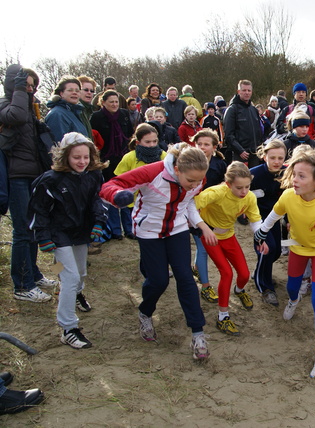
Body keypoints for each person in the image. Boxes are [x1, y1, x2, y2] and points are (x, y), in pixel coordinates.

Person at [100, 143, 216, 360]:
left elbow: (189, 202)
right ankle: (145, 312)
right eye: (190, 180)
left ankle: (198, 333)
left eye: (198, 181)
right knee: (159, 280)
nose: (195, 185)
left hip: (178, 229)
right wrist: (118, 196)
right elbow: (111, 185)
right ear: (178, 169)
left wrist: (201, 224)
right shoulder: (154, 172)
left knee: (186, 277)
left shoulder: (197, 178)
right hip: (149, 231)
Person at [254, 147, 315, 378]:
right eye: (294, 174)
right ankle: (294, 300)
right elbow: (274, 214)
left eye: (302, 176)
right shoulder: (288, 196)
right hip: (297, 247)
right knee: (291, 288)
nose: (295, 180)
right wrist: (262, 231)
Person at [28, 132, 108, 348]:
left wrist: (99, 223)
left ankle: (75, 292)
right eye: (76, 158)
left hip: (80, 232)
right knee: (69, 277)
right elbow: (39, 210)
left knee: (80, 273)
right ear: (64, 157)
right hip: (58, 234)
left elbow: (97, 202)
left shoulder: (94, 175)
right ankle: (68, 328)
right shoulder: (50, 180)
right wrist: (43, 236)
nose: (82, 162)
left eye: (86, 157)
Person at [0, 65, 57, 303]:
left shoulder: (30, 108)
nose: (31, 89)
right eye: (27, 84)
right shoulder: (6, 104)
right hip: (16, 176)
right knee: (23, 230)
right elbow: (16, 117)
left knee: (33, 227)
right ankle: (22, 285)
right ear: (15, 84)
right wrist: (20, 90)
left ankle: (33, 274)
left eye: (34, 85)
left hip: (34, 175)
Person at [194, 162, 261, 335]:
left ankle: (239, 291)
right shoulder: (216, 193)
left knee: (244, 274)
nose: (244, 191)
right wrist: (203, 227)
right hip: (211, 238)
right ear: (228, 184)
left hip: (229, 236)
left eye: (247, 186)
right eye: (239, 187)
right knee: (226, 273)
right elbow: (191, 205)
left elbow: (255, 220)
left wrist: (261, 238)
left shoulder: (249, 197)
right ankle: (222, 317)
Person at [90, 90, 134, 240]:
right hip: (106, 160)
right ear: (103, 103)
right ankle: (115, 229)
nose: (114, 104)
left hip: (123, 158)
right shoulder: (96, 117)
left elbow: (129, 134)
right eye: (111, 102)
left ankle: (129, 228)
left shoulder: (124, 115)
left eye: (116, 101)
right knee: (111, 193)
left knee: (127, 191)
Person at [191, 129, 227, 304]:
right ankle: (205, 286)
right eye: (199, 144)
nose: (202, 147)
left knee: (201, 246)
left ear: (214, 147)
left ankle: (197, 267)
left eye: (206, 144)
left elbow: (226, 182)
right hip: (192, 210)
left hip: (211, 212)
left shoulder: (220, 163)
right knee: (204, 246)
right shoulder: (187, 161)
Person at [114, 123, 167, 240]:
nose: (152, 145)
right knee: (133, 225)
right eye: (147, 142)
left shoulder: (164, 156)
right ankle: (129, 231)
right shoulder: (130, 157)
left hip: (156, 199)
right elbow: (119, 177)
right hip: (132, 200)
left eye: (154, 141)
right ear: (138, 142)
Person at [250, 140, 287, 306]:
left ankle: (260, 270)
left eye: (280, 157)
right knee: (267, 249)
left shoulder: (287, 173)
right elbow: (240, 192)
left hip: (276, 218)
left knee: (277, 251)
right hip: (259, 218)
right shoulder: (254, 174)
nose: (277, 161)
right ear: (264, 157)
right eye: (272, 157)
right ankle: (265, 287)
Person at [223, 79, 263, 167]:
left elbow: (259, 131)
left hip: (254, 153)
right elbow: (229, 134)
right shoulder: (232, 110)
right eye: (244, 90)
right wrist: (240, 150)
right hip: (239, 154)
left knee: (254, 179)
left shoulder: (254, 110)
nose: (247, 93)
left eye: (249, 90)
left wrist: (260, 149)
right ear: (238, 91)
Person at [45, 76, 89, 142]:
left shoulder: (75, 113)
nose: (74, 93)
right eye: (70, 90)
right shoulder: (57, 114)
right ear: (61, 93)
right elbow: (58, 144)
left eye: (77, 90)